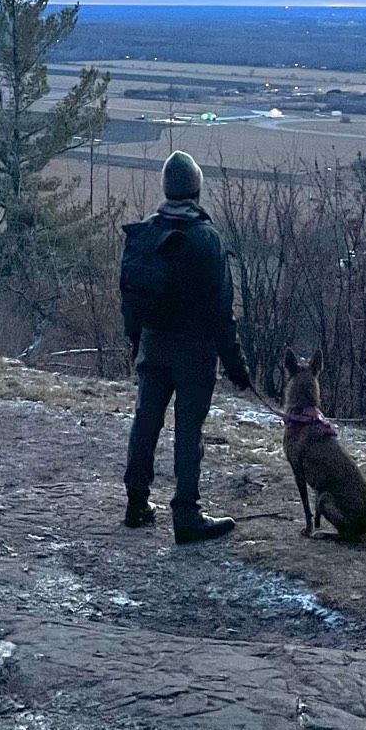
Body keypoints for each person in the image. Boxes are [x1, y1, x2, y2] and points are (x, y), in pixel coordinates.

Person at [118, 150, 252, 544]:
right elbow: (222, 312)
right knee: (188, 429)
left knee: (146, 421)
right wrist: (237, 367)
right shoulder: (207, 239)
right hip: (194, 351)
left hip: (153, 343)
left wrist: (136, 341)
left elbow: (129, 295)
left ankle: (136, 504)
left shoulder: (145, 232)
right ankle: (187, 515)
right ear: (197, 190)